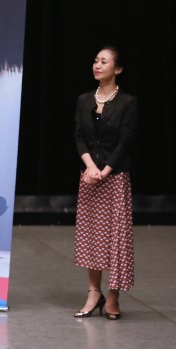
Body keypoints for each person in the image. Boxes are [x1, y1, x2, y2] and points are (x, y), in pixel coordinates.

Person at [72, 46, 138, 321]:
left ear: (118, 69)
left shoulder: (127, 103)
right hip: (89, 176)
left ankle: (113, 295)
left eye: (104, 61)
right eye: (96, 60)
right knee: (91, 237)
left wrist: (106, 170)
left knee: (115, 237)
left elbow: (125, 141)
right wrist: (90, 167)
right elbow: (79, 136)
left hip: (115, 177)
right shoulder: (84, 100)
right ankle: (93, 292)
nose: (97, 65)